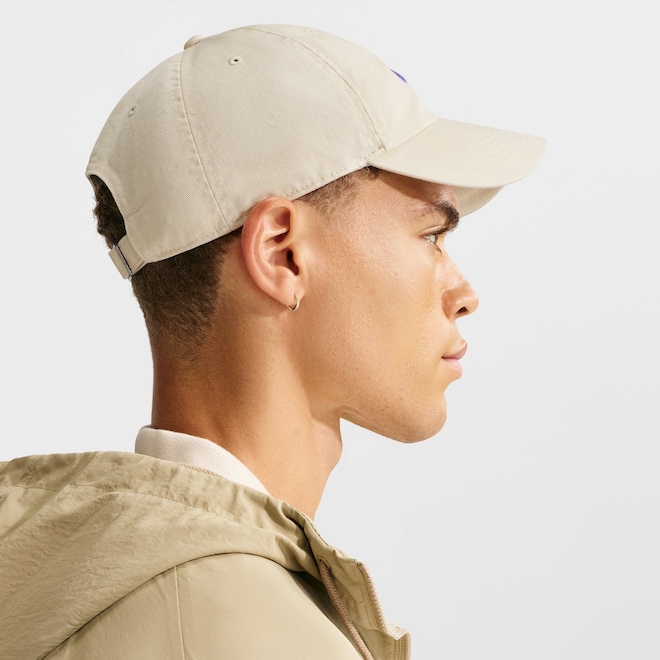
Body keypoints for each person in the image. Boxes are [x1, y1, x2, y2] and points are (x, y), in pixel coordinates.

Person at [0, 24, 545, 659]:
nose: (464, 292)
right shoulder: (245, 627)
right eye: (431, 236)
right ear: (281, 253)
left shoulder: (66, 574)